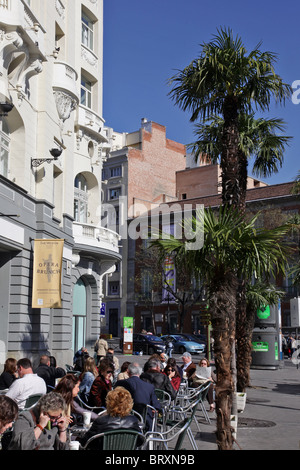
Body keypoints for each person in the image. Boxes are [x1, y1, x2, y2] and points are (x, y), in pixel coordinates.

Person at [79, 387, 143, 450]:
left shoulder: (100, 421)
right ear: (129, 404)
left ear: (109, 403)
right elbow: (140, 441)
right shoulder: (133, 421)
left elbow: (85, 442)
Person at [115, 362, 161, 430]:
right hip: (145, 421)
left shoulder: (121, 383)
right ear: (140, 373)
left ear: (128, 372)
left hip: (123, 420)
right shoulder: (149, 387)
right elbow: (156, 406)